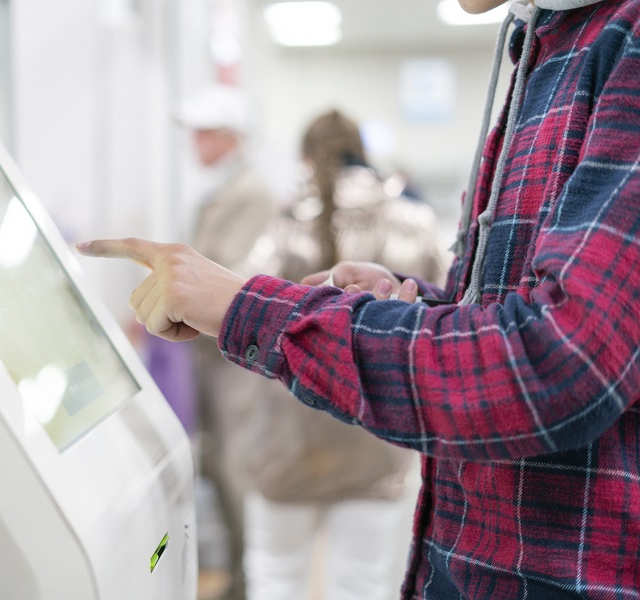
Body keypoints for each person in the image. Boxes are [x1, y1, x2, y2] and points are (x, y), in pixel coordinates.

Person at [78, 0, 640, 597]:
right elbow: (503, 315)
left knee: (278, 577)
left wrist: (248, 304)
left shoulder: (621, 45)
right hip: (428, 501)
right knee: (357, 581)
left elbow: (557, 360)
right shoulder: (548, 48)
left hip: (538, 562)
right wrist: (413, 307)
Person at [237, 109, 446, 600]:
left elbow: (238, 301)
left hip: (285, 440)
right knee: (364, 586)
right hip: (377, 429)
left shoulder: (284, 226)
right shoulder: (414, 221)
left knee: (275, 579)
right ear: (363, 153)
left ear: (306, 159)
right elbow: (455, 302)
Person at [177, 83, 280, 600]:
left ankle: (249, 582)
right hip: (212, 352)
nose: (195, 144)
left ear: (227, 136)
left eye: (203, 134)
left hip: (235, 353)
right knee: (218, 462)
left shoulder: (252, 193)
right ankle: (241, 579)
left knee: (237, 465)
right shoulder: (224, 190)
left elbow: (231, 274)